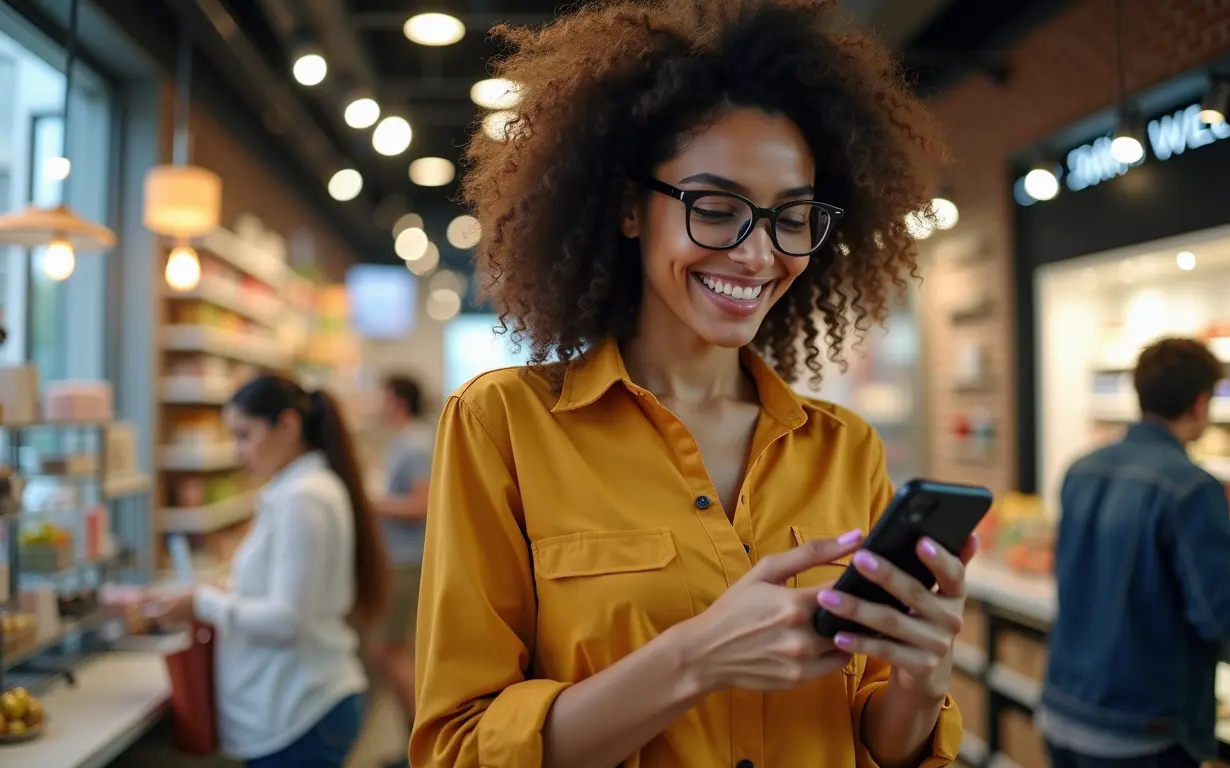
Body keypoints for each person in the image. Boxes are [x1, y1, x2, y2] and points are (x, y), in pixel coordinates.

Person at [410, 1, 973, 766]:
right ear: (629, 209)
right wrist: (696, 659)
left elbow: (877, 736)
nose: (757, 253)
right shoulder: (505, 425)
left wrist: (918, 676)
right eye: (716, 208)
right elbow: (458, 747)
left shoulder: (845, 449)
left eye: (792, 217)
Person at [1040, 338, 1230, 768]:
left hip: (1061, 710)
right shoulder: (1193, 487)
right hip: (1138, 731)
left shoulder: (1081, 468)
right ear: (1201, 403)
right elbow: (1220, 614)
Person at [146, 375, 389, 768]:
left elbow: (287, 620)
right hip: (296, 706)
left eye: (245, 434)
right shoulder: (300, 489)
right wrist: (226, 589)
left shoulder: (303, 496)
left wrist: (203, 601)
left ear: (288, 426)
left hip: (299, 711)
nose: (238, 450)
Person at [369, 374, 434, 768]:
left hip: (407, 561)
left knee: (387, 650)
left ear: (396, 400)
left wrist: (372, 503)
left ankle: (421, 743)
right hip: (401, 560)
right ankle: (416, 744)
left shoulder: (414, 443)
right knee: (395, 651)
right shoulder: (407, 440)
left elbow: (420, 506)